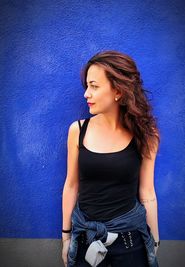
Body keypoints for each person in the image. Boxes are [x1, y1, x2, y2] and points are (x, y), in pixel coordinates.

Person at [61, 50, 161, 267]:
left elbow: (147, 193)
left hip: (129, 242)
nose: (86, 94)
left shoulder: (146, 134)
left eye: (94, 86)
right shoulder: (78, 130)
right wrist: (66, 237)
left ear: (118, 91)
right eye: (87, 86)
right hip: (85, 241)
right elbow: (71, 185)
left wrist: (154, 241)